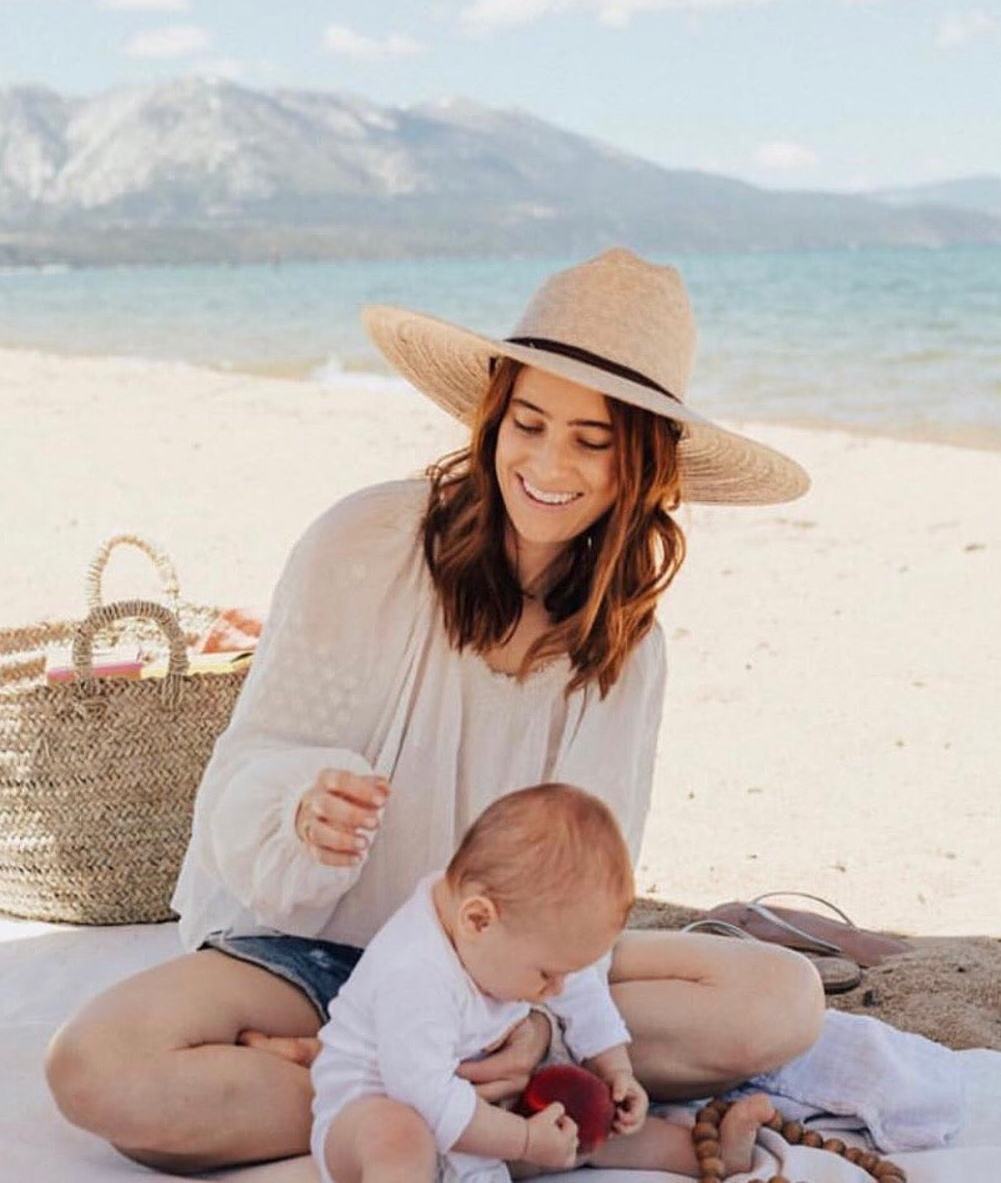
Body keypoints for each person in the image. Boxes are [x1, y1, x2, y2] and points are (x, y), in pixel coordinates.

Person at [45, 248, 823, 1172]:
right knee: (97, 1068)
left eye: (591, 440)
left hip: (499, 970)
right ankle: (442, 1092)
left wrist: (533, 1015)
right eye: (528, 423)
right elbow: (256, 757)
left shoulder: (623, 641)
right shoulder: (363, 542)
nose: (546, 463)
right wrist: (302, 808)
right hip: (316, 951)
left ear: (639, 463)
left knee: (780, 999)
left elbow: (587, 873)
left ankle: (395, 1088)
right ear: (494, 415)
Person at [312, 782, 775, 1183]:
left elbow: (583, 994)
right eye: (546, 975)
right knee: (398, 1137)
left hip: (484, 1111)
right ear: (478, 919)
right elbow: (426, 1095)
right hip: (374, 1113)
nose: (554, 991)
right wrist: (526, 1139)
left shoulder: (505, 937)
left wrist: (616, 1069)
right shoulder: (415, 970)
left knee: (585, 1116)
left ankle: (706, 1155)